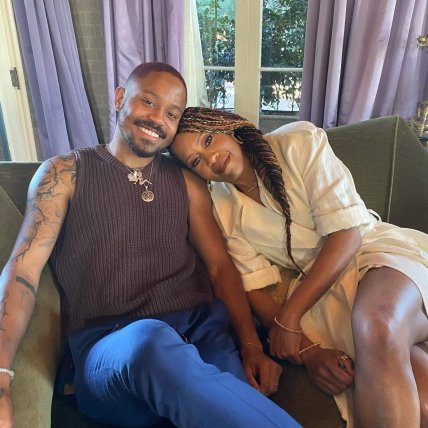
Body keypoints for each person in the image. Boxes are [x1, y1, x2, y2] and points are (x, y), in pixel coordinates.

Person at [0, 63, 301, 428]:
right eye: (149, 102)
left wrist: (251, 345)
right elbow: (23, 271)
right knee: (150, 340)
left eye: (172, 114)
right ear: (120, 98)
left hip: (202, 337)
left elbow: (220, 266)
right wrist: (2, 376)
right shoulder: (64, 173)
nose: (158, 119)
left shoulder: (187, 182)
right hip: (111, 348)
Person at [170, 107, 428, 428]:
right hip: (326, 298)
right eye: (196, 161)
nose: (210, 159)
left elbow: (347, 236)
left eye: (208, 140)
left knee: (378, 322)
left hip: (373, 252)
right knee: (422, 404)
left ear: (229, 127)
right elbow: (255, 287)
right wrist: (309, 351)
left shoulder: (298, 142)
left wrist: (290, 317)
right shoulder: (221, 207)